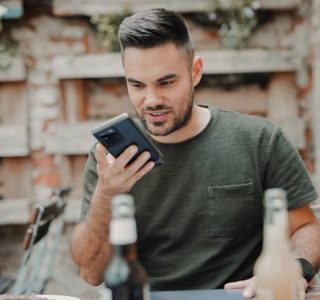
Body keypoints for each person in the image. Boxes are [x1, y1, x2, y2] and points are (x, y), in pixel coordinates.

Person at [70, 8, 320, 298]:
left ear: (196, 71)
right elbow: (91, 273)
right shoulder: (109, 161)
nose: (151, 100)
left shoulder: (260, 140)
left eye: (166, 82)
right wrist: (107, 194)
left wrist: (294, 268)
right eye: (137, 85)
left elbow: (307, 228)